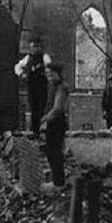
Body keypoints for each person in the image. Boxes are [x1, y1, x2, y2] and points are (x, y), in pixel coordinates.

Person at [14, 35, 52, 135]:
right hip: (31, 86)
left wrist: (47, 74)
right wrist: (21, 74)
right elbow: (18, 66)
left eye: (36, 47)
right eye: (32, 47)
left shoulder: (45, 57)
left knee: (41, 107)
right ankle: (34, 131)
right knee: (33, 107)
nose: (34, 49)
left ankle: (41, 129)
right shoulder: (28, 58)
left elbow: (50, 67)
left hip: (42, 86)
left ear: (40, 47)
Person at [40, 61, 69, 189]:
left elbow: (58, 108)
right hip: (52, 122)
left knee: (55, 152)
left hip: (57, 122)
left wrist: (44, 119)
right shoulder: (53, 86)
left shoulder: (61, 87)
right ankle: (56, 180)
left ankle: (58, 182)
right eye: (48, 75)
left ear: (58, 74)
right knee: (51, 152)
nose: (50, 77)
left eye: (52, 75)